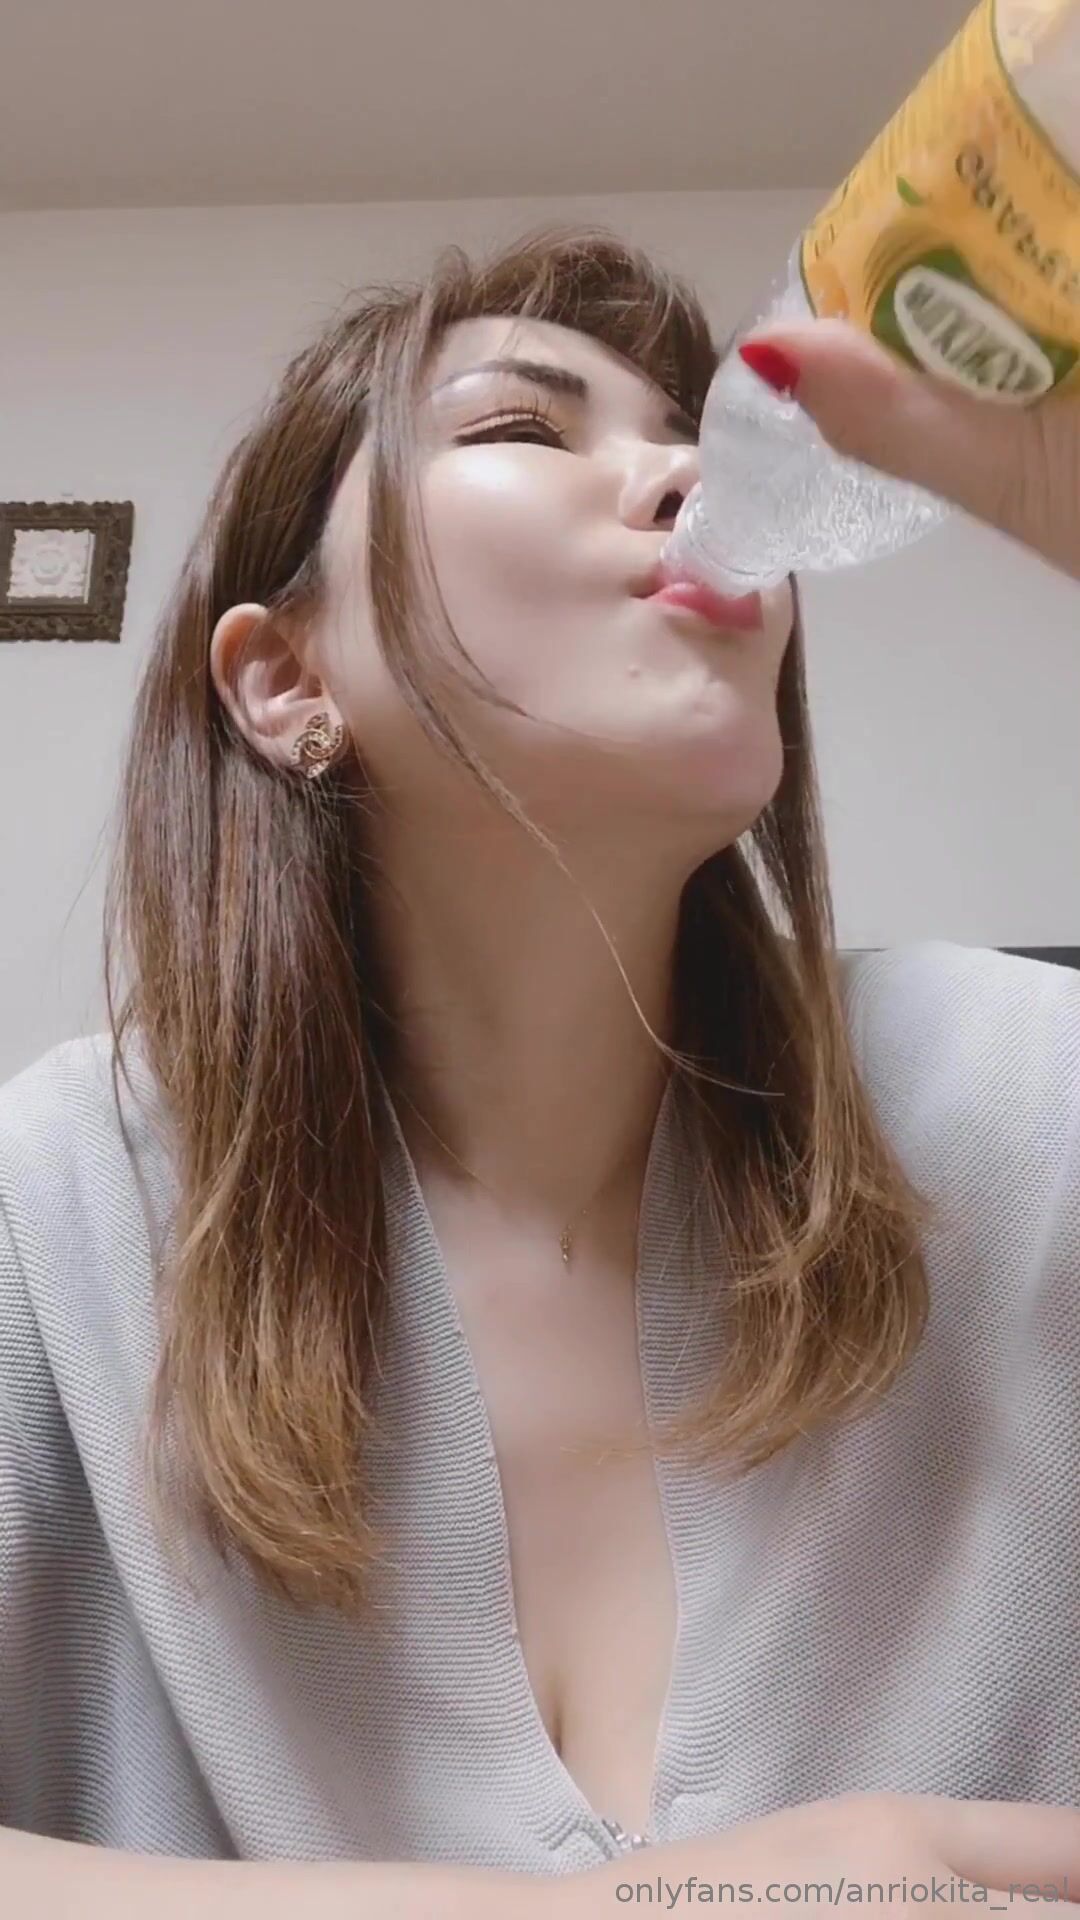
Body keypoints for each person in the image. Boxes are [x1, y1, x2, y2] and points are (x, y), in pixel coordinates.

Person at [0, 225, 1077, 1918]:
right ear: (283, 679)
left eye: (694, 436)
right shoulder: (57, 1206)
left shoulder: (1021, 1101)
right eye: (523, 426)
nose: (687, 478)